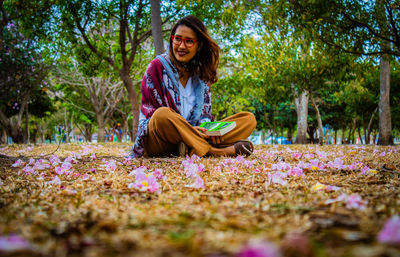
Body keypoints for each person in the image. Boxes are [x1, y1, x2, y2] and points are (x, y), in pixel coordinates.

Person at [131, 15, 256, 158]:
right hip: (160, 140)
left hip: (196, 135)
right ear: (172, 39)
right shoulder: (156, 67)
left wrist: (210, 130)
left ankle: (190, 147)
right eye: (177, 39)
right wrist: (189, 129)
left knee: (248, 119)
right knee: (162, 115)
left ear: (199, 45)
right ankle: (215, 152)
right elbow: (152, 117)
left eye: (189, 41)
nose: (181, 46)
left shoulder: (200, 74)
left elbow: (204, 115)